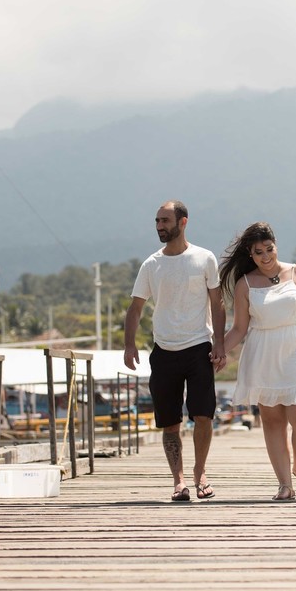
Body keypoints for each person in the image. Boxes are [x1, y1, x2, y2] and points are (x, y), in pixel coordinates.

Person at [219, 222, 296, 501]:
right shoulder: (244, 284)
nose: (265, 256)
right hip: (263, 350)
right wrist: (218, 350)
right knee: (272, 421)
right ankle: (285, 483)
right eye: (258, 252)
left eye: (269, 249)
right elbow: (238, 329)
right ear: (251, 254)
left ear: (276, 246)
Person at [124, 201, 227, 502]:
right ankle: (178, 481)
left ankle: (200, 474)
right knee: (170, 421)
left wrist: (219, 343)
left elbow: (218, 302)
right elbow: (136, 307)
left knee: (203, 414)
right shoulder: (151, 265)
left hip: (198, 347)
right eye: (157, 220)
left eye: (165, 220)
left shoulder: (204, 258)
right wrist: (130, 343)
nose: (159, 226)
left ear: (183, 222)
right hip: (164, 350)